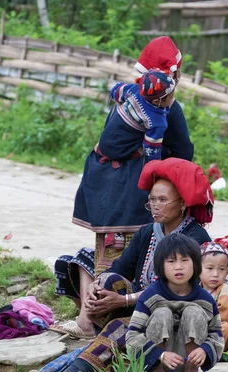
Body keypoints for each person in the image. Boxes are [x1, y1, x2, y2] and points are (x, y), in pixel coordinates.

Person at [52, 158, 213, 338]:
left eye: (163, 200)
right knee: (106, 280)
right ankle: (95, 326)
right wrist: (94, 285)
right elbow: (120, 268)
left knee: (116, 331)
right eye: (152, 200)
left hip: (168, 309)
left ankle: (107, 331)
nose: (155, 206)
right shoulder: (147, 232)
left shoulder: (195, 238)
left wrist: (123, 300)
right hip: (137, 301)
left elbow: (176, 288)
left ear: (182, 204)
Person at [72, 36, 193, 273]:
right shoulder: (164, 109)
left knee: (108, 257)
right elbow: (182, 152)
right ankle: (125, 302)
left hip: (102, 177)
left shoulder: (133, 93)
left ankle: (100, 300)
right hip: (133, 189)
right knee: (135, 257)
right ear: (172, 73)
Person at [126, 233, 224, 372]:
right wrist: (160, 355)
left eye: (185, 260)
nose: (179, 266)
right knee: (162, 312)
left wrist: (204, 350)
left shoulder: (205, 299)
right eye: (171, 261)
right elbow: (132, 336)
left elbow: (217, 335)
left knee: (194, 311)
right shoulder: (150, 296)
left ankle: (191, 369)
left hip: (189, 360)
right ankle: (157, 371)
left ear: (196, 264)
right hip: (156, 359)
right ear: (161, 266)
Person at [110, 68, 177, 162]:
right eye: (171, 97)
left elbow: (115, 90)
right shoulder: (157, 121)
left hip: (109, 136)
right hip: (120, 151)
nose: (173, 99)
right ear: (156, 101)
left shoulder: (133, 89)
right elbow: (151, 149)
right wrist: (155, 165)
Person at [199, 241, 228, 351]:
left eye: (221, 269)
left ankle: (210, 351)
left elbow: (225, 316)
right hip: (202, 330)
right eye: (209, 268)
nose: (215, 274)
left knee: (225, 329)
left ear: (227, 272)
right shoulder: (196, 290)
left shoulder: (225, 290)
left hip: (220, 329)